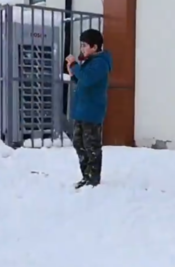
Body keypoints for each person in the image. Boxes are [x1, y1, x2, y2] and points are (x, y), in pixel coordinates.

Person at [65, 29, 113, 189]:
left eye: (85, 45)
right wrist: (74, 75)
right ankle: (86, 176)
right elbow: (82, 82)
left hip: (92, 111)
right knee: (79, 143)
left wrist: (74, 65)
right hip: (81, 110)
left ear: (94, 46)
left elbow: (87, 79)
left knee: (91, 145)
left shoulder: (100, 63)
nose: (82, 49)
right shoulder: (89, 61)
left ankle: (93, 179)